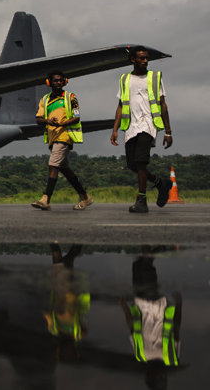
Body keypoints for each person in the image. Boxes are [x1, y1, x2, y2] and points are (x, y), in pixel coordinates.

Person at [110, 46, 173, 213]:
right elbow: (120, 105)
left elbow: (162, 104)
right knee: (132, 164)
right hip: (131, 126)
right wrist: (115, 129)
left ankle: (141, 201)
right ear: (133, 60)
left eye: (147, 58)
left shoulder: (154, 77)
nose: (145, 61)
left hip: (148, 124)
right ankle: (161, 183)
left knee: (140, 161)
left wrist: (168, 131)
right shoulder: (124, 79)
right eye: (142, 58)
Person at [120, 247, 182, 388]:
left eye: (159, 379)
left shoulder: (140, 355)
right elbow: (177, 328)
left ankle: (162, 247)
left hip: (140, 303)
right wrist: (179, 305)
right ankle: (148, 239)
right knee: (146, 265)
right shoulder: (171, 358)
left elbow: (132, 330)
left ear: (150, 377)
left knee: (138, 265)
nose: (163, 376)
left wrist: (125, 308)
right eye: (164, 379)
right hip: (156, 306)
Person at [31, 70, 93, 211]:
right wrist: (48, 121)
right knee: (65, 169)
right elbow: (38, 119)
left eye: (60, 80)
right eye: (55, 81)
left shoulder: (70, 97)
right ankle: (85, 197)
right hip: (52, 137)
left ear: (64, 82)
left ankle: (45, 198)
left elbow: (77, 116)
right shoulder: (45, 100)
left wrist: (63, 123)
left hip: (65, 136)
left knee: (53, 165)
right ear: (49, 83)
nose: (58, 83)